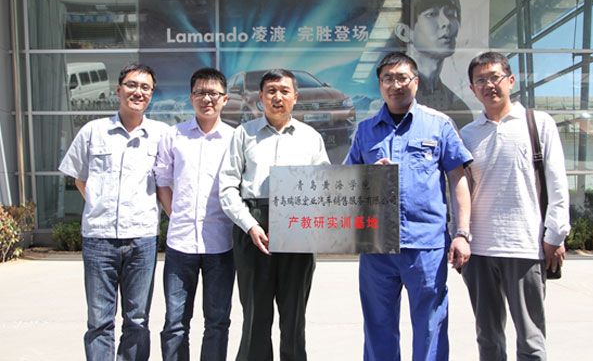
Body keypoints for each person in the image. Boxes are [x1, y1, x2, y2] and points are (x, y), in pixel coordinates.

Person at [344, 52, 473, 361]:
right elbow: (347, 183)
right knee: (378, 326)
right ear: (379, 85)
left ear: (416, 82)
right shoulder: (365, 131)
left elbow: (458, 179)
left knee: (430, 324)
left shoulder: (438, 125)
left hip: (425, 245)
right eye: (388, 78)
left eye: (402, 77)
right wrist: (369, 177)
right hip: (377, 246)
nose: (395, 84)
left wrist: (461, 233)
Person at [460, 52, 571, 361]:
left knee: (531, 340)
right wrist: (459, 236)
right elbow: (460, 191)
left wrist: (555, 235)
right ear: (472, 89)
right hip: (479, 251)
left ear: (510, 80)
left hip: (525, 246)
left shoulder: (538, 123)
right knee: (488, 338)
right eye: (480, 80)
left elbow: (557, 183)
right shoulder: (467, 135)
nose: (489, 85)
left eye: (495, 77)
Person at [58, 64, 168, 361]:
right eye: (131, 85)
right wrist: (99, 204)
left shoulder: (161, 135)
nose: (138, 92)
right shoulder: (93, 131)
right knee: (99, 321)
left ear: (151, 95)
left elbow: (167, 183)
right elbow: (80, 178)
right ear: (118, 90)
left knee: (137, 319)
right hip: (99, 239)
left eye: (145, 87)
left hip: (142, 239)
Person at [219, 69, 330, 361]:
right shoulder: (244, 134)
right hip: (253, 227)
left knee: (294, 316)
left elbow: (325, 186)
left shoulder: (311, 137)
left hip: (298, 227)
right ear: (260, 97)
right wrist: (250, 225)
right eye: (270, 91)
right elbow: (227, 187)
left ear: (296, 97)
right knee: (256, 315)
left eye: (284, 91)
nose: (277, 97)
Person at [154, 68, 235, 361]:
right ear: (191, 98)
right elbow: (163, 181)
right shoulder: (173, 136)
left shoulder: (235, 138)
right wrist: (174, 213)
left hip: (221, 244)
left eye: (213, 93)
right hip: (180, 244)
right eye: (200, 92)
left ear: (225, 99)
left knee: (217, 322)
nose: (207, 99)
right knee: (175, 323)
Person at [394, 0, 473, 128]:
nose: (446, 22)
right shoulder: (391, 99)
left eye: (451, 14)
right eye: (431, 14)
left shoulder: (459, 109)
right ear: (404, 32)